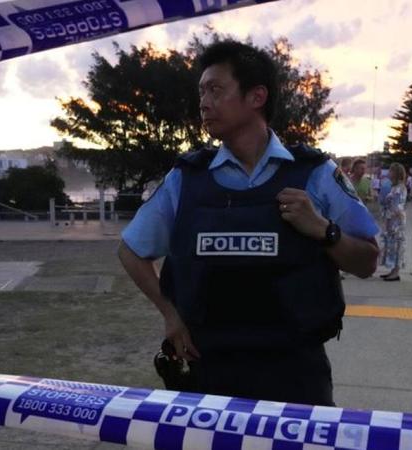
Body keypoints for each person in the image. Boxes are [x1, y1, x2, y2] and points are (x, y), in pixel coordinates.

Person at [117, 40, 379, 406]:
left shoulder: (316, 173)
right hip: (210, 372)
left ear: (256, 97)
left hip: (296, 378)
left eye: (216, 89)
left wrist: (324, 230)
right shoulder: (187, 178)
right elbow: (131, 250)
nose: (204, 102)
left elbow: (368, 261)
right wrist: (171, 315)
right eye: (201, 91)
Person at [380, 163, 408, 281]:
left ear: (396, 173)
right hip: (393, 218)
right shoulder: (396, 187)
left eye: (391, 171)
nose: (388, 173)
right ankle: (393, 270)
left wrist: (389, 220)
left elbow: (396, 207)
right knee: (392, 245)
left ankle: (395, 272)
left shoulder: (399, 188)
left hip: (395, 220)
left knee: (396, 245)